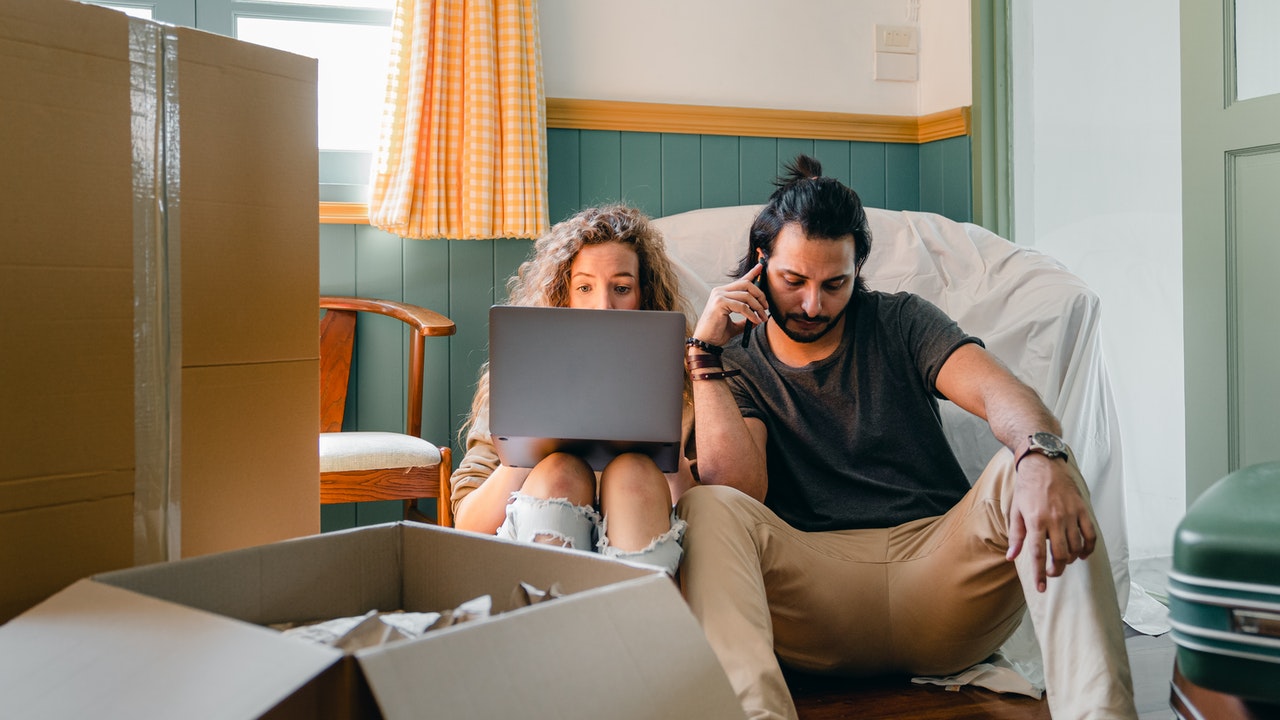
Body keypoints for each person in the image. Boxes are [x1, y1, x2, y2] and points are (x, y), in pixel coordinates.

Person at [678, 155, 1137, 720]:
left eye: (835, 283)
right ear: (759, 263)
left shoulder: (901, 321)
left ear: (859, 270)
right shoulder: (738, 361)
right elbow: (738, 490)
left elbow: (1000, 393)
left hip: (940, 580)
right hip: (815, 598)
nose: (813, 305)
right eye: (793, 281)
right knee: (706, 506)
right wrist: (705, 356)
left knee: (1038, 462)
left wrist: (1042, 454)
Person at [450, 204, 696, 576]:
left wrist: (661, 440)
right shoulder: (521, 375)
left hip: (645, 531)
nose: (603, 306)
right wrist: (527, 447)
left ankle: (635, 625)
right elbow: (467, 525)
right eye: (585, 287)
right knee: (560, 469)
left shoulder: (684, 385)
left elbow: (700, 517)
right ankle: (555, 621)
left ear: (644, 296)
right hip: (539, 531)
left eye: (621, 288)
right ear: (563, 294)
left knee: (633, 472)